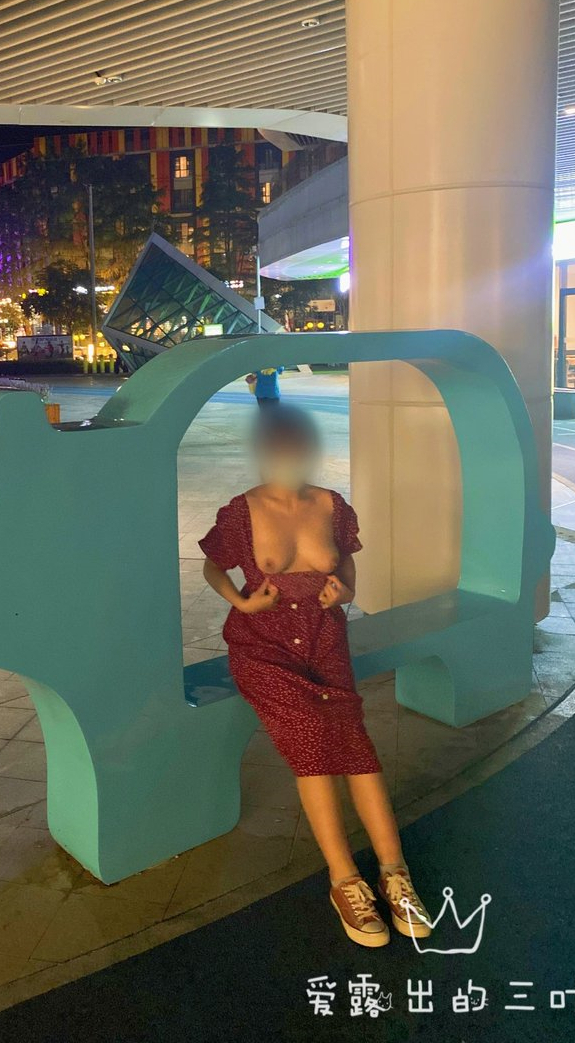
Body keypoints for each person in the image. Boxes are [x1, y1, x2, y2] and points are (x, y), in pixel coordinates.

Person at [198, 404, 431, 948]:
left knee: (355, 744)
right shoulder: (241, 512)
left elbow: (345, 560)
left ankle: (395, 874)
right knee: (313, 744)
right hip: (264, 647)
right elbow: (213, 564)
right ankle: (344, 879)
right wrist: (240, 602)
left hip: (325, 640)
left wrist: (346, 590)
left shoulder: (332, 505)